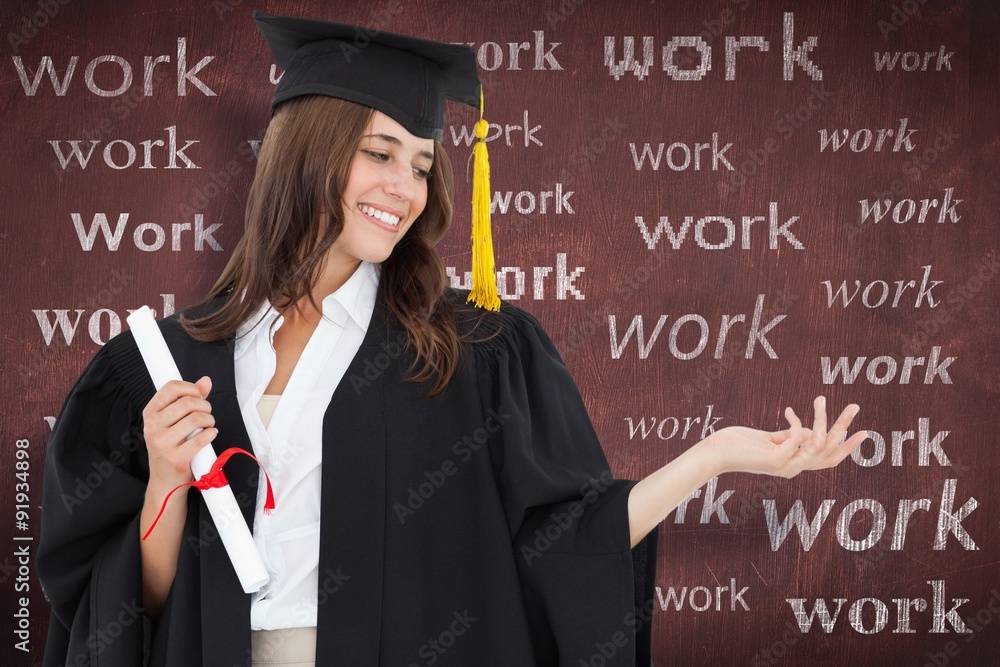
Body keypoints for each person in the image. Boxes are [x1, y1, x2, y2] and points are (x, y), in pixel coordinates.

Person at [37, 11, 867, 667]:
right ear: (307, 153)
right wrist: (165, 486)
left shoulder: (471, 355)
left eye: (424, 164)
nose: (404, 188)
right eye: (380, 152)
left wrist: (713, 455)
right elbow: (125, 609)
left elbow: (566, 548)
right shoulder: (165, 366)